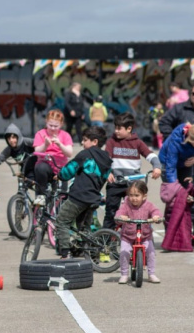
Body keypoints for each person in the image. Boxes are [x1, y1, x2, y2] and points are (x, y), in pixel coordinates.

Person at [55, 126, 112, 258]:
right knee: (84, 228)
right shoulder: (107, 160)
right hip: (93, 198)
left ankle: (64, 253)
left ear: (95, 142)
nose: (82, 143)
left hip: (79, 197)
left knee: (62, 221)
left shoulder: (85, 155)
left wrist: (59, 176)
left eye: (85, 140)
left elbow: (70, 169)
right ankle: (89, 253)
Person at [104, 112, 162, 229]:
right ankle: (106, 238)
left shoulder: (137, 143)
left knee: (136, 211)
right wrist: (107, 172)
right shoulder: (111, 142)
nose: (116, 131)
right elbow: (105, 159)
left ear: (129, 128)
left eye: (119, 128)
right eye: (115, 128)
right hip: (115, 182)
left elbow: (151, 155)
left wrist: (156, 167)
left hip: (132, 185)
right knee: (111, 211)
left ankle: (136, 234)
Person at [158, 123, 194, 252]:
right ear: (190, 140)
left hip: (186, 164)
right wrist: (174, 188)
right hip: (168, 164)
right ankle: (170, 236)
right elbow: (170, 166)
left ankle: (186, 232)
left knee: (188, 198)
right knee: (174, 201)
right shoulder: (176, 141)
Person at [114, 180, 162, 284]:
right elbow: (120, 212)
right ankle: (124, 274)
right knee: (124, 252)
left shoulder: (148, 205)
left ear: (144, 196)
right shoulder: (126, 204)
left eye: (137, 195)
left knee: (151, 252)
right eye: (131, 195)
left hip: (145, 236)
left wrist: (156, 217)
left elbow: (155, 211)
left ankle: (151, 274)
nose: (133, 198)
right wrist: (121, 217)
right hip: (128, 236)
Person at [31, 109, 73, 206]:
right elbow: (36, 151)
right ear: (46, 122)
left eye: (56, 126)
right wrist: (45, 145)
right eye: (50, 125)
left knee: (62, 197)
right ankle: (41, 195)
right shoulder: (41, 134)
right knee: (40, 167)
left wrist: (60, 144)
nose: (53, 128)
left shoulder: (65, 135)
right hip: (46, 166)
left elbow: (69, 153)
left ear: (61, 124)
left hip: (60, 168)